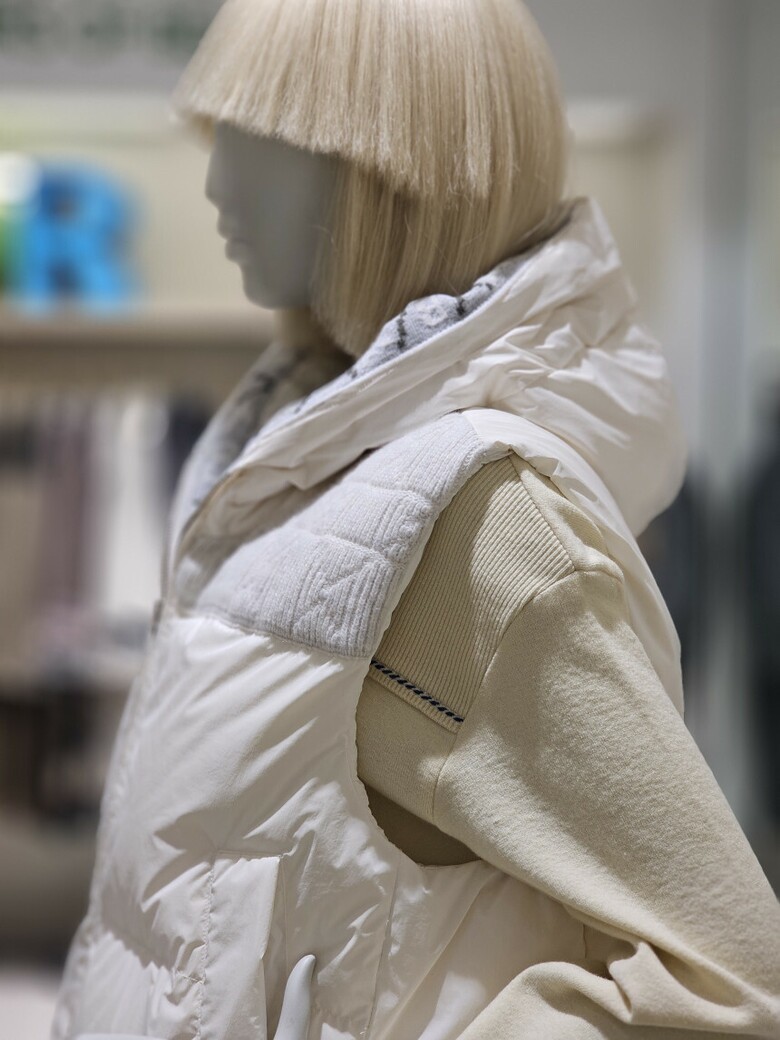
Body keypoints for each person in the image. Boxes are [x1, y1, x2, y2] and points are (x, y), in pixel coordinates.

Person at [51, 2, 780, 1038]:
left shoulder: (478, 520)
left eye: (263, 140)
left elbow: (733, 984)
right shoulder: (295, 456)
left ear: (392, 172)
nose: (216, 184)